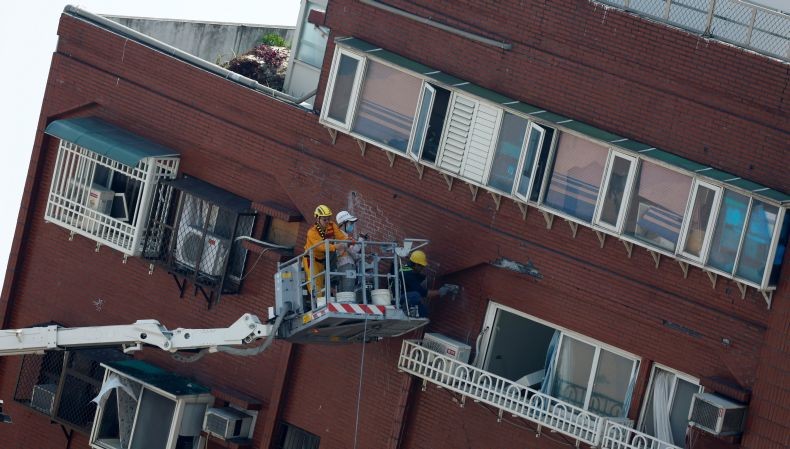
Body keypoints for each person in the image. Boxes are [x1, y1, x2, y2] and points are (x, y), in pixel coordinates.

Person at [303, 204, 347, 299]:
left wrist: (349, 240)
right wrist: (335, 246)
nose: (327, 221)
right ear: (318, 219)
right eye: (324, 219)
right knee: (315, 283)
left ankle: (327, 297)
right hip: (311, 259)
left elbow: (341, 236)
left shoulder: (332, 225)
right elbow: (321, 246)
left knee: (324, 283)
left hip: (324, 259)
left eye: (328, 219)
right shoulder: (312, 232)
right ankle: (317, 303)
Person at [399, 250, 453, 317]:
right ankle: (406, 312)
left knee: (424, 312)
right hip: (399, 299)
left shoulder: (405, 269)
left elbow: (417, 278)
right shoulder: (408, 274)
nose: (423, 268)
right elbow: (422, 293)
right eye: (422, 266)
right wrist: (439, 292)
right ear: (416, 264)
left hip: (401, 296)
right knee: (416, 295)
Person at [335, 210, 363, 294]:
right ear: (344, 223)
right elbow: (354, 250)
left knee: (342, 293)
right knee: (348, 292)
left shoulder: (338, 235)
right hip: (347, 266)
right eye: (350, 223)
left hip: (339, 266)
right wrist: (361, 240)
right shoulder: (343, 236)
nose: (352, 225)